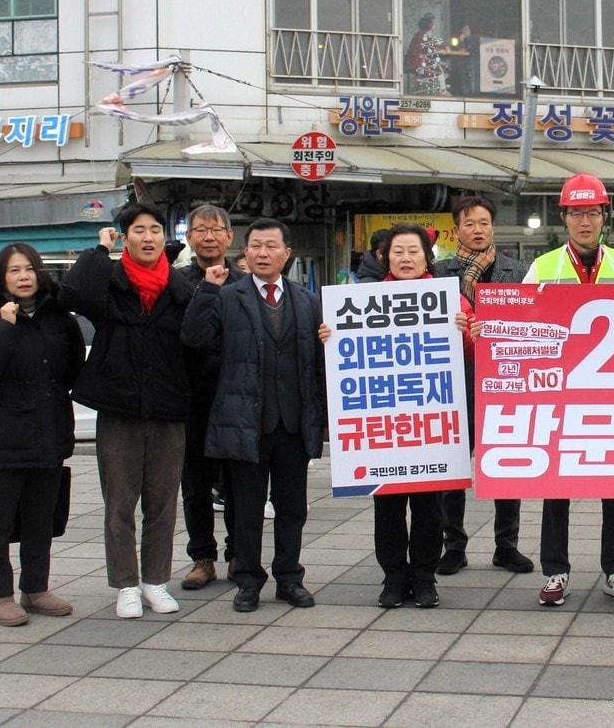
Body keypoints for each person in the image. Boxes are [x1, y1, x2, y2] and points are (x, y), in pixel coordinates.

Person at [322, 223, 473, 609]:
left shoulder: (451, 301)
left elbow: (472, 356)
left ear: (428, 257)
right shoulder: (362, 300)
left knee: (429, 508)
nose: (406, 258)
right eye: (398, 252)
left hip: (430, 426)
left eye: (413, 251)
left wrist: (468, 333)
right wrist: (330, 337)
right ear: (384, 257)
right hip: (384, 429)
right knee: (387, 507)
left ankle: (424, 577)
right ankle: (393, 576)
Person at [181, 218, 326, 613]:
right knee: (244, 508)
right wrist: (208, 289)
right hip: (245, 423)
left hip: (292, 424)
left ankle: (289, 577)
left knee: (292, 507)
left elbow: (316, 367)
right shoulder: (227, 297)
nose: (263, 253)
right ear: (244, 252)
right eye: (255, 246)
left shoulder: (307, 301)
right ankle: (247, 580)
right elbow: (193, 338)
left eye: (271, 246)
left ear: (287, 254)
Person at [60, 204, 194, 619]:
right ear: (126, 237)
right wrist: (100, 250)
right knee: (119, 502)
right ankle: (125, 584)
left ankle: (155, 581)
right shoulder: (110, 283)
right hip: (119, 409)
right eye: (139, 230)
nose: (149, 237)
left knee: (162, 502)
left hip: (168, 409)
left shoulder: (181, 288)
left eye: (156, 229)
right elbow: (73, 291)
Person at [524, 173, 614, 607]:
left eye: (592, 212)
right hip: (560, 394)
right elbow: (521, 326)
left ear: (603, 216)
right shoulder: (543, 267)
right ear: (563, 218)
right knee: (555, 485)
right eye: (576, 213)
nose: (584, 221)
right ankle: (555, 572)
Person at [0, 243, 84, 626]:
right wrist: (5, 325)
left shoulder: (58, 317)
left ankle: (36, 588)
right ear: (1, 278)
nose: (24, 276)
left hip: (48, 431)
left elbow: (73, 365)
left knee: (39, 519)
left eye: (29, 269)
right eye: (14, 271)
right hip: (3, 436)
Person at [432, 195, 533, 576]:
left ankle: (507, 545)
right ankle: (453, 545)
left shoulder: (517, 271)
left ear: (494, 227)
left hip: (503, 381)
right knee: (452, 468)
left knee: (506, 461)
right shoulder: (438, 273)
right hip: (452, 381)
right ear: (457, 229)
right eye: (470, 223)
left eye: (485, 223)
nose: (478, 230)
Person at [178, 206, 244, 591]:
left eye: (215, 229)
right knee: (195, 485)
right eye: (199, 229)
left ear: (229, 237)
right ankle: (202, 557)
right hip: (191, 399)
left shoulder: (244, 282)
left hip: (234, 396)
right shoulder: (176, 282)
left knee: (238, 483)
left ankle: (239, 554)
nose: (208, 236)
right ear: (188, 237)